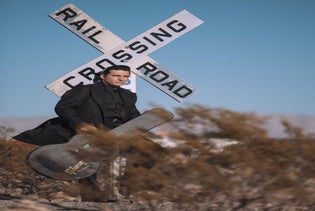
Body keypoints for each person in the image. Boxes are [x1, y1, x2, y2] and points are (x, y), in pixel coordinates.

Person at [13, 65, 158, 201]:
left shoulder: (128, 96)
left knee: (153, 151)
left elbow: (131, 115)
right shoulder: (86, 90)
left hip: (117, 133)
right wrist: (82, 125)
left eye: (125, 76)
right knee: (87, 160)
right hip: (84, 133)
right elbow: (63, 108)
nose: (121, 79)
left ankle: (128, 187)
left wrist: (144, 119)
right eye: (116, 75)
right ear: (103, 76)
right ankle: (93, 197)